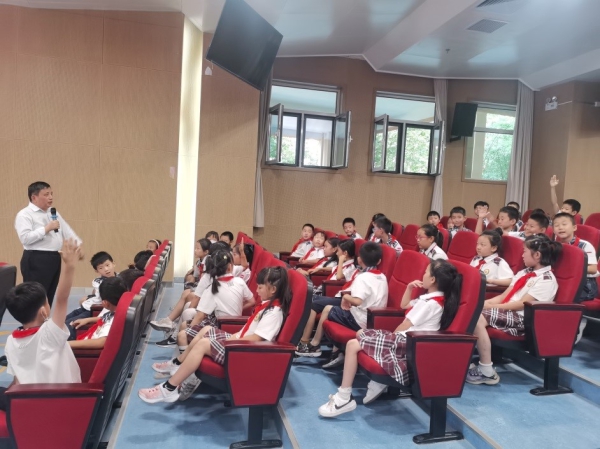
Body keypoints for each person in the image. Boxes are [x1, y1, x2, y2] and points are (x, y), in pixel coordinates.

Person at [318, 259, 462, 417]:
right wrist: (409, 287)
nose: (423, 274)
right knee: (360, 333)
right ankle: (378, 381)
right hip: (406, 339)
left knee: (353, 344)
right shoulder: (430, 299)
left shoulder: (429, 304)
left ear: (433, 279)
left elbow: (405, 325)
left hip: (407, 343)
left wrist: (387, 339)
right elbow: (404, 306)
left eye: (426, 272)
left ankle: (344, 398)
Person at [138, 266, 291, 404]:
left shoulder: (274, 312)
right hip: (238, 343)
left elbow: (257, 339)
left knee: (204, 344)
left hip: (243, 353)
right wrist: (234, 337)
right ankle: (178, 363)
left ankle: (168, 388)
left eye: (260, 287)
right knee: (206, 330)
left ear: (273, 289)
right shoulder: (266, 307)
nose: (257, 291)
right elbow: (250, 331)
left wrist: (233, 340)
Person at [466, 235, 561, 385]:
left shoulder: (546, 280)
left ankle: (486, 371)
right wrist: (481, 304)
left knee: (477, 318)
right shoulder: (524, 273)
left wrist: (492, 307)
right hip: (508, 312)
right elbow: (504, 296)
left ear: (537, 255)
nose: (522, 255)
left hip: (523, 319)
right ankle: (464, 360)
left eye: (525, 251)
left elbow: (522, 304)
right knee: (469, 310)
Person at [1, 239, 82, 411]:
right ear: (44, 311)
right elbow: (62, 298)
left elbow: (17, 380)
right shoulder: (50, 333)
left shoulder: (11, 342)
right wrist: (69, 265)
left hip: (28, 404)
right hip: (60, 404)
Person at [296, 242, 388, 368]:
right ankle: (323, 348)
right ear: (379, 261)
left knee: (328, 310)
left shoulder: (363, 278)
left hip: (360, 320)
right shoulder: (382, 277)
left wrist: (345, 297)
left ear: (359, 260)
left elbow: (358, 301)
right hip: (373, 318)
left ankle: (315, 345)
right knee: (329, 308)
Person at [15, 181, 84, 306]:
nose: (51, 197)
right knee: (35, 298)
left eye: (51, 194)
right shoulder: (24, 214)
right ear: (34, 197)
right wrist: (46, 228)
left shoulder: (53, 212)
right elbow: (25, 238)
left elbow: (66, 230)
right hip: (36, 259)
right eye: (46, 194)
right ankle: (33, 319)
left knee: (48, 296)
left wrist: (77, 245)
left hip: (54, 257)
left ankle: (44, 318)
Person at [178, 250, 255, 352]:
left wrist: (189, 331)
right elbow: (252, 301)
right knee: (185, 325)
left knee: (182, 335)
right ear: (230, 267)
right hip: (236, 325)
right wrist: (239, 307)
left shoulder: (212, 288)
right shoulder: (240, 282)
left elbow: (200, 316)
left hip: (220, 327)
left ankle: (184, 357)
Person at [64, 251, 117, 340]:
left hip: (93, 310)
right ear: (97, 271)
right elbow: (96, 295)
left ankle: (67, 342)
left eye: (107, 265)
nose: (106, 269)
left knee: (70, 324)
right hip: (86, 306)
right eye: (101, 268)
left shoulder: (120, 279)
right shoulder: (97, 281)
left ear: (113, 264)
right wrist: (88, 298)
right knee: (62, 320)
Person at [68, 277, 127, 348]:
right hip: (88, 338)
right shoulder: (118, 311)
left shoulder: (113, 321)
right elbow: (104, 318)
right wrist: (87, 320)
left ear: (105, 303)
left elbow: (100, 342)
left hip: (86, 349)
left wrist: (66, 344)